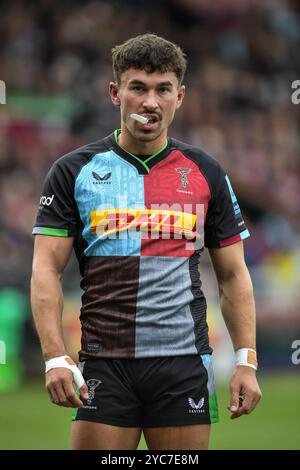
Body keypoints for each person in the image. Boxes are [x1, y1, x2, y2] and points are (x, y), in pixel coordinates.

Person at [31, 33, 262, 450]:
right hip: (105, 363)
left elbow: (233, 275)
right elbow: (46, 269)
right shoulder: (72, 171)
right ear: (115, 93)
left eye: (163, 89)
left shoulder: (205, 171)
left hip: (183, 365)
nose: (150, 102)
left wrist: (246, 360)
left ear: (181, 96)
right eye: (137, 87)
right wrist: (54, 356)